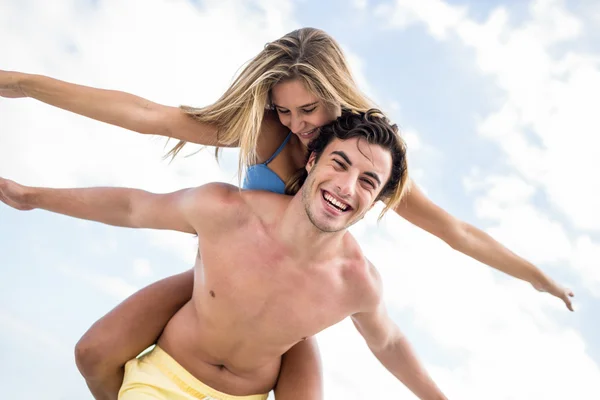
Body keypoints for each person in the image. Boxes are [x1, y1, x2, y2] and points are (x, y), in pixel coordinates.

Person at [0, 27, 573, 399]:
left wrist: (538, 278)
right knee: (95, 353)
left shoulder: (364, 159)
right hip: (226, 276)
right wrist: (23, 84)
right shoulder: (266, 134)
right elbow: (145, 115)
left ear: (336, 90)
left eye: (309, 107)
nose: (298, 122)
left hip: (294, 303)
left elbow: (458, 232)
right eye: (285, 109)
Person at [0, 110, 448, 400]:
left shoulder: (357, 281)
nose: (347, 187)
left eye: (369, 182)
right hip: (164, 378)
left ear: (377, 201)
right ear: (312, 162)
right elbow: (134, 206)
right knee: (92, 353)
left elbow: (387, 341)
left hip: (247, 393)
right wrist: (34, 196)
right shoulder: (227, 211)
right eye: (339, 163)